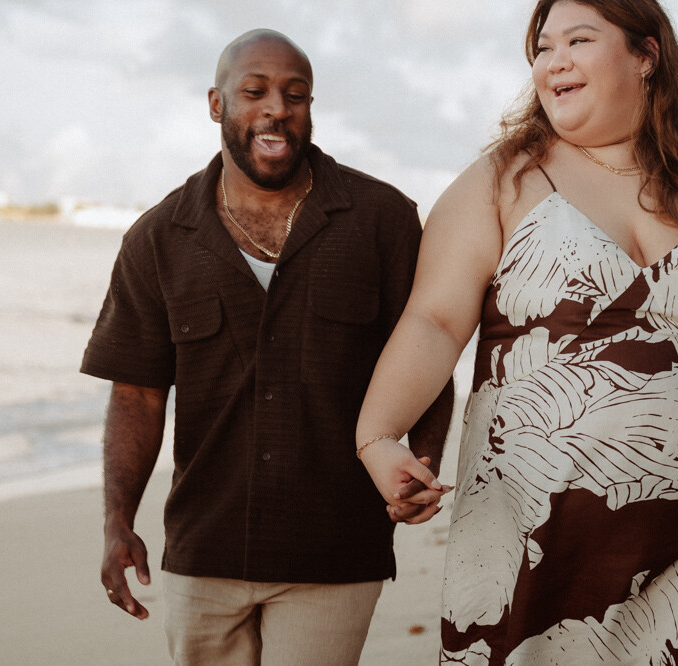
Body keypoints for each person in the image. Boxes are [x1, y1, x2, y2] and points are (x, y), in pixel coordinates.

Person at [354, 0, 678, 663]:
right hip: (539, 552)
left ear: (645, 56)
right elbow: (434, 322)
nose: (554, 61)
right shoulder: (500, 183)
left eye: (578, 41)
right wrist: (379, 435)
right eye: (543, 47)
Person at [81, 29, 453, 665]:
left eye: (295, 95)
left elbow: (429, 352)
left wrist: (422, 460)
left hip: (335, 549)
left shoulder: (382, 219)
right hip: (205, 550)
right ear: (217, 104)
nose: (277, 109)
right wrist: (118, 522)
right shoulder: (158, 238)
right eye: (254, 92)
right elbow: (138, 394)